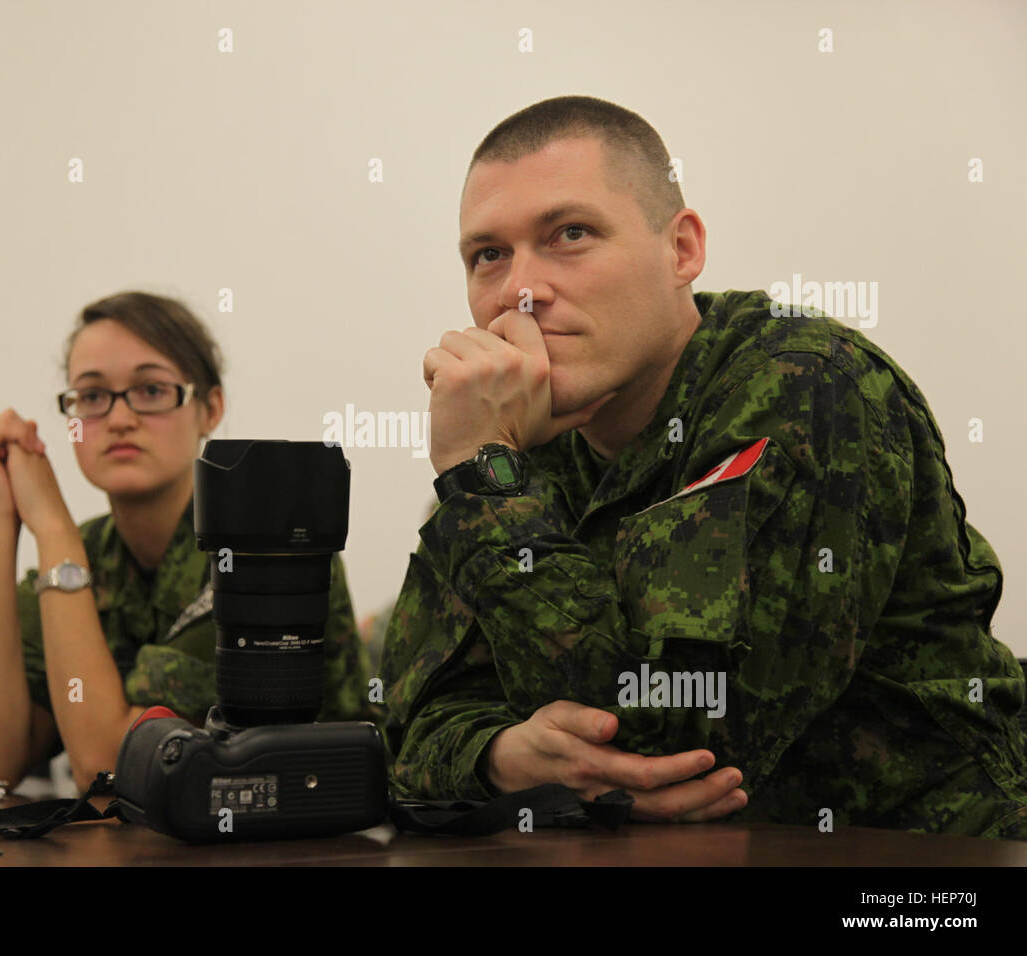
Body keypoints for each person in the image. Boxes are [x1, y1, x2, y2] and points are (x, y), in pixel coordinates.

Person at [380, 95, 1027, 837]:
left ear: (681, 249)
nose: (519, 290)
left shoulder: (807, 383)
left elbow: (677, 739)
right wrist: (499, 756)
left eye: (570, 233)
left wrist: (483, 477)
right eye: (488, 254)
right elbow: (404, 727)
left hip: (909, 866)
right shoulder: (504, 450)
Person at [0, 291, 375, 792]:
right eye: (91, 396)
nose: (120, 418)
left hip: (310, 840)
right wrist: (1, 517)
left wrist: (53, 530)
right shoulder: (84, 556)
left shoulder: (265, 548)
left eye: (151, 390)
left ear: (210, 408)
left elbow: (107, 763)